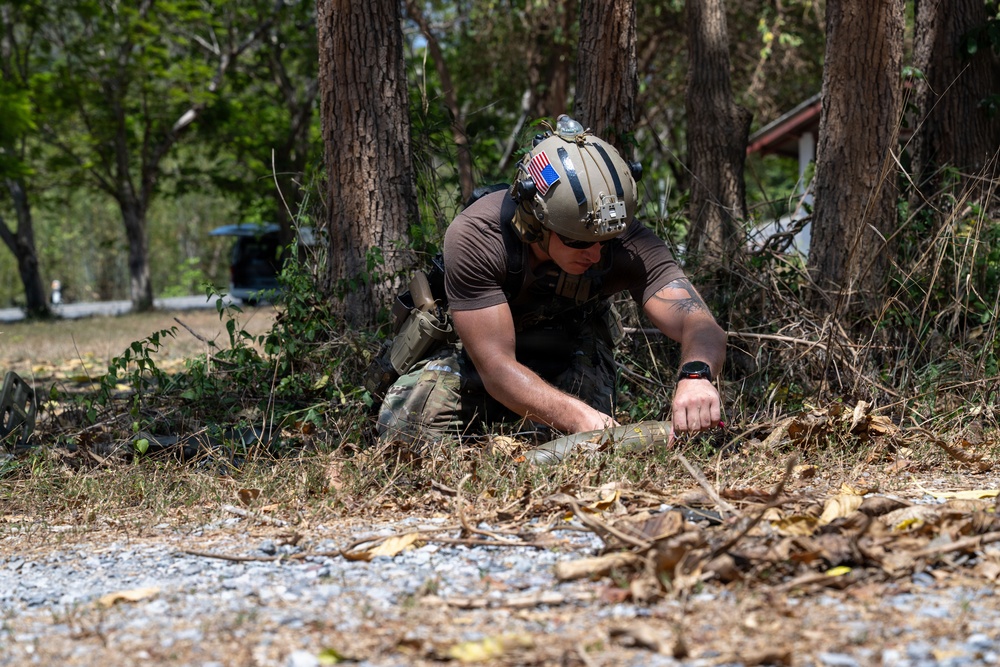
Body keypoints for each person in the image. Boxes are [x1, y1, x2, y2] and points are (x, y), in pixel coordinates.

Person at [376, 115, 726, 451]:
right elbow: (496, 368)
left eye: (605, 241)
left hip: (569, 354)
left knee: (587, 450)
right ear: (535, 223)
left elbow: (698, 323)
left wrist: (696, 376)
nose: (595, 253)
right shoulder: (479, 237)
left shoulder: (626, 242)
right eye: (578, 242)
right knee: (408, 423)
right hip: (483, 361)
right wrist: (577, 417)